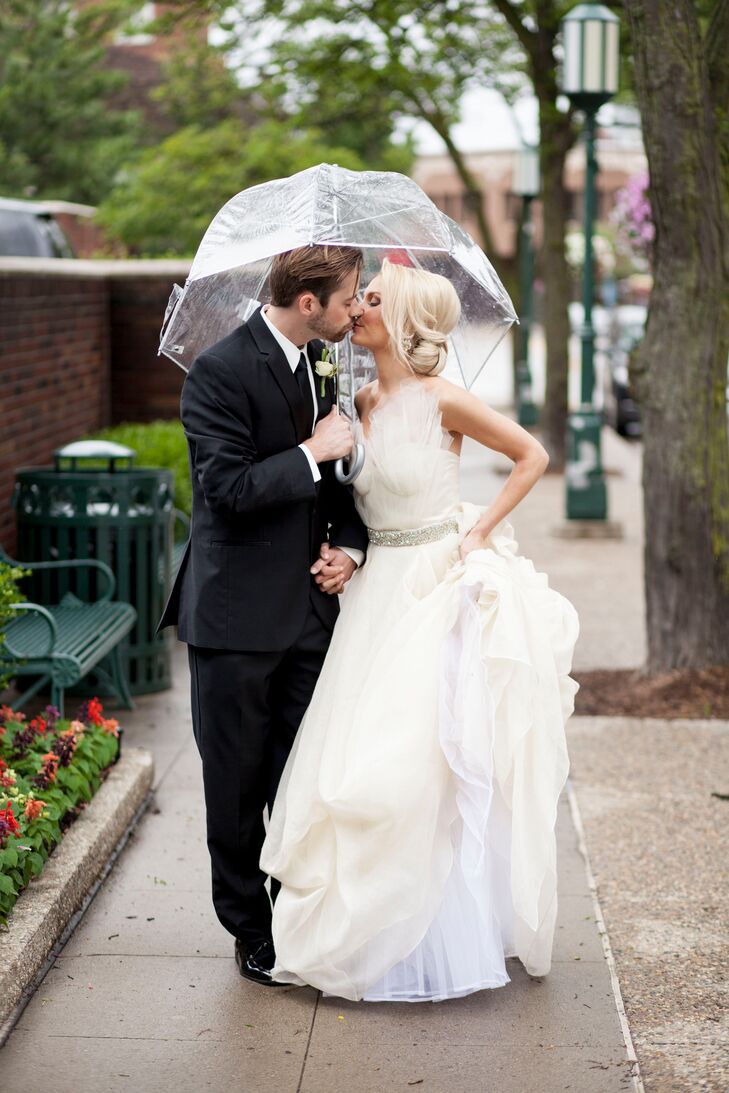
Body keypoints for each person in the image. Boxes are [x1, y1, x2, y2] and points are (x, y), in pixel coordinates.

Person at [260, 259, 580, 1002]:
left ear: (402, 320)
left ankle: (423, 940)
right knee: (348, 754)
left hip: (433, 586)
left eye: (372, 299)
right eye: (358, 297)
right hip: (371, 598)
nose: (357, 308)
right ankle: (355, 931)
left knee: (412, 763)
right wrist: (343, 547)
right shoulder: (356, 396)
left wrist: (480, 533)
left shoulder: (444, 399)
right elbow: (346, 498)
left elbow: (531, 455)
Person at [157, 245, 369, 986]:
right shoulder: (217, 371)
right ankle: (251, 930)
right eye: (347, 295)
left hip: (311, 614)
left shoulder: (322, 365)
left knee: (305, 780)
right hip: (235, 618)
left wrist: (350, 547)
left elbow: (339, 487)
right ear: (307, 300)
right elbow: (226, 489)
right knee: (239, 788)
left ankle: (297, 915)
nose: (356, 307)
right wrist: (312, 450)